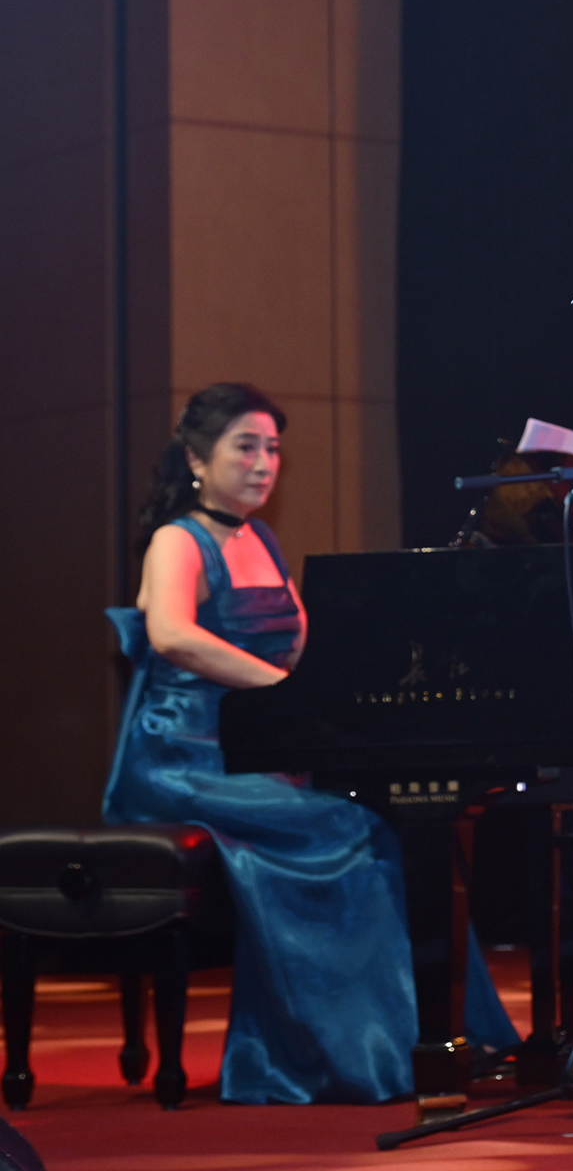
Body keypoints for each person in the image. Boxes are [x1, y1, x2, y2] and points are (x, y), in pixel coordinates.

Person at [104, 383, 518, 1104]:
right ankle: (354, 1055)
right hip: (180, 756)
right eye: (247, 446)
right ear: (198, 459)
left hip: (249, 747)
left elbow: (301, 648)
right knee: (345, 823)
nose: (266, 463)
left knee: (393, 818)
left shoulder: (259, 538)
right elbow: (171, 635)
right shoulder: (180, 538)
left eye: (272, 449)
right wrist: (284, 694)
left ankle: (441, 1033)